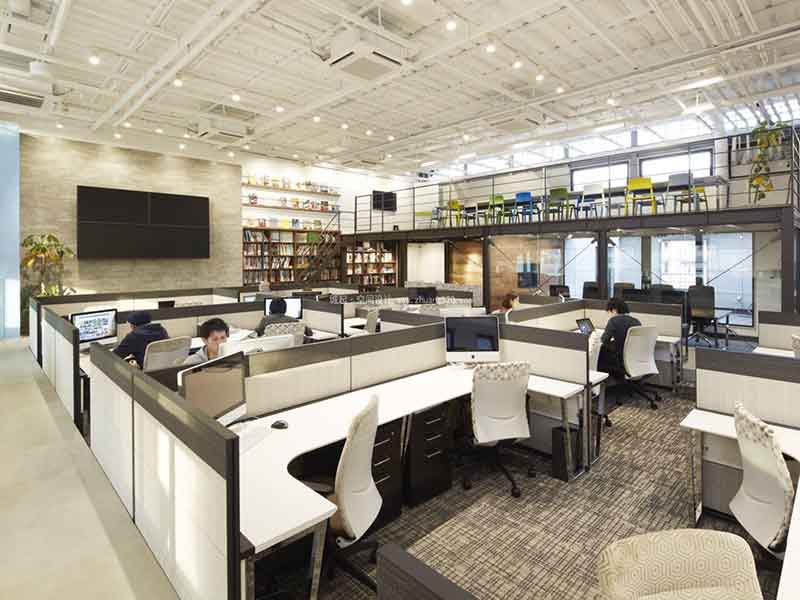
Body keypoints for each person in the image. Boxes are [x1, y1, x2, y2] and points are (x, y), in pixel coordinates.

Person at [598, 298, 641, 378]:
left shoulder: (613, 320)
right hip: (635, 359)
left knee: (601, 352)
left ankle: (603, 381)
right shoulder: (636, 321)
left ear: (614, 310)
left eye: (609, 312)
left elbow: (604, 340)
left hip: (621, 359)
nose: (609, 315)